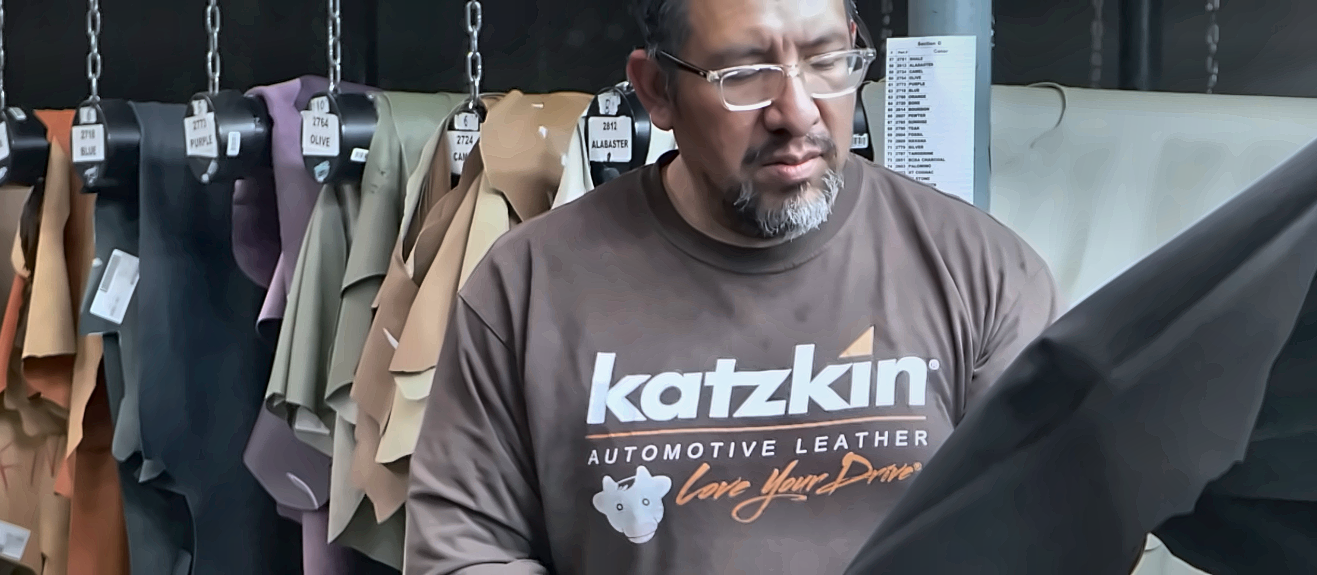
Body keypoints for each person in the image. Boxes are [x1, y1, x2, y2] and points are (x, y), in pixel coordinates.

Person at [401, 0, 1061, 573]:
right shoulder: (527, 287)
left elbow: (1052, 530)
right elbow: (465, 551)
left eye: (827, 60)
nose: (796, 112)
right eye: (744, 73)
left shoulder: (981, 274)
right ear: (656, 89)